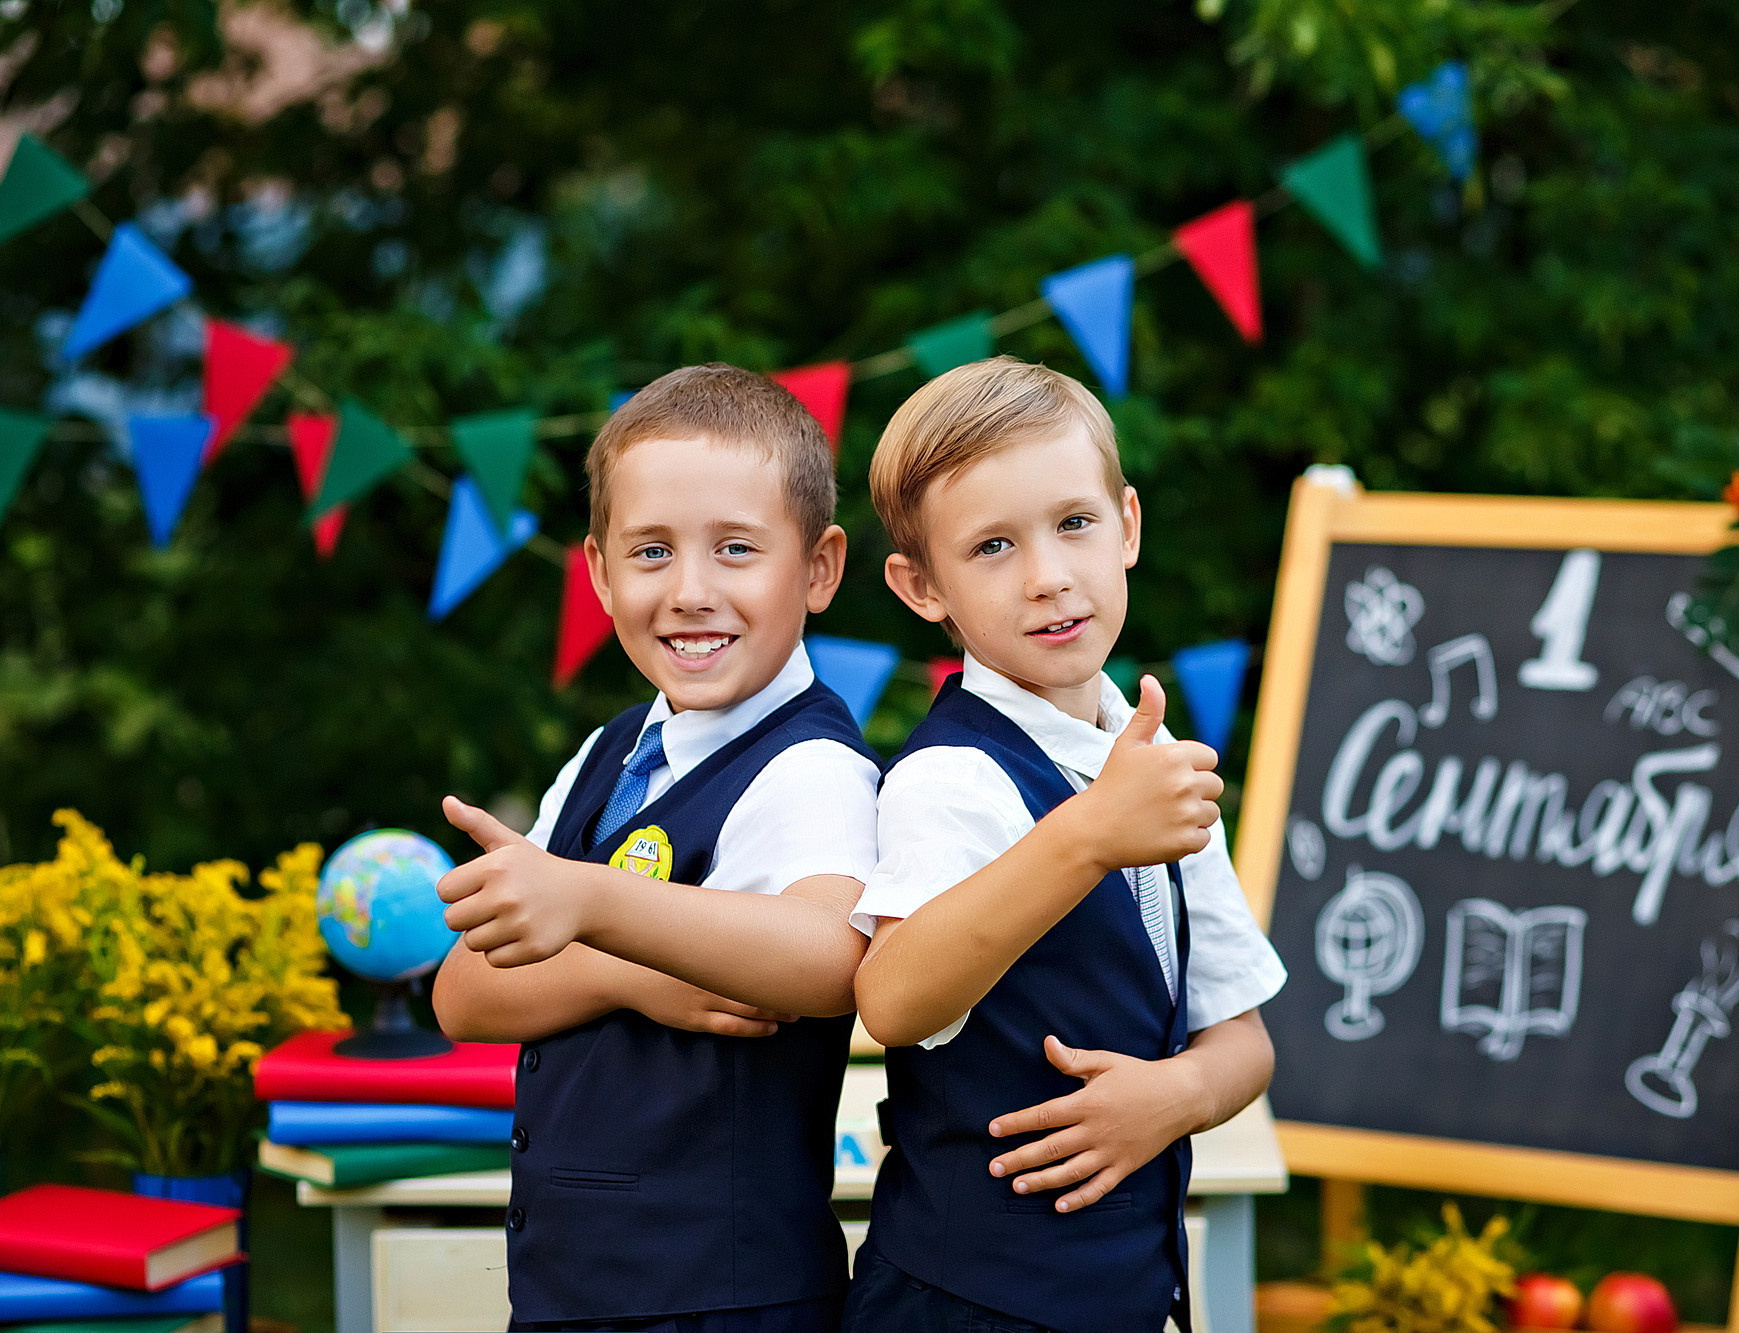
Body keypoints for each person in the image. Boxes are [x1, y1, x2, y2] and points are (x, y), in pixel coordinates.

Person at [430, 364, 879, 1333]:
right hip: (575, 1287)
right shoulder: (609, 752)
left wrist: (587, 909)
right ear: (595, 571)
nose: (689, 591)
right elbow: (464, 992)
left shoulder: (809, 768)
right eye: (649, 553)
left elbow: (826, 958)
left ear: (818, 566)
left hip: (722, 1296)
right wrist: (632, 977)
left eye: (735, 550)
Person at [845, 356, 1287, 1333]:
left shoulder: (1154, 753)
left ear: (1126, 525)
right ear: (923, 586)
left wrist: (1174, 1095)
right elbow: (893, 999)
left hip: (1125, 1293)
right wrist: (1085, 836)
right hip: (964, 1300)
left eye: (1073, 524)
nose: (1048, 576)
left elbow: (1241, 1035)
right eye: (993, 545)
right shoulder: (950, 778)